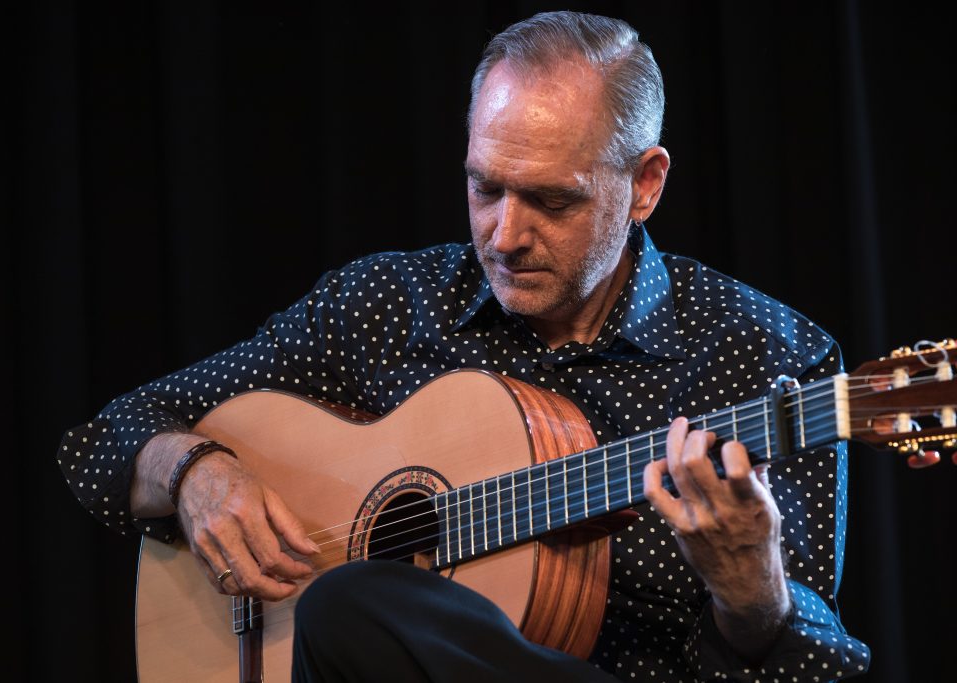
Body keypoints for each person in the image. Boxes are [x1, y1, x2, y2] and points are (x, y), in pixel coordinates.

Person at [58, 11, 871, 682]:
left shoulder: (768, 355)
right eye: (486, 186)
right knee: (348, 604)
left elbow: (813, 671)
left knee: (347, 603)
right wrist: (194, 470)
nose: (505, 234)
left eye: (551, 200)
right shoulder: (383, 307)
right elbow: (103, 441)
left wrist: (754, 597)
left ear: (645, 184)